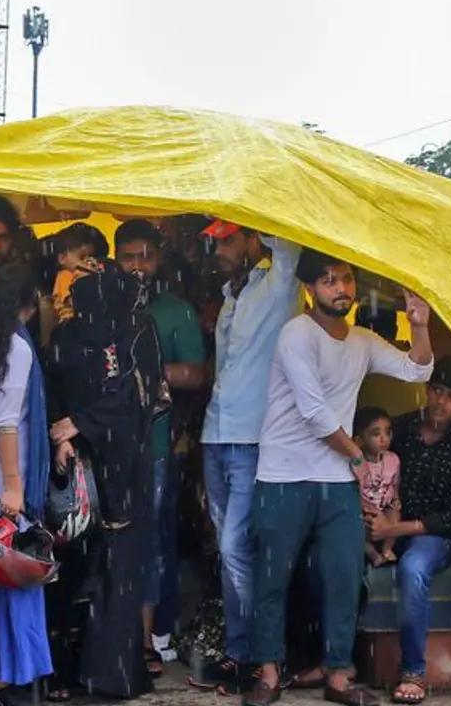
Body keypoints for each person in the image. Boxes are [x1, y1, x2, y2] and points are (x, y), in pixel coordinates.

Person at [245, 249, 433, 706]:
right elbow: (313, 412)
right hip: (284, 473)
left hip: (334, 480)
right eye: (328, 281)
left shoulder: (363, 342)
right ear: (310, 290)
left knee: (345, 575)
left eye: (345, 279)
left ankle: (337, 675)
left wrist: (421, 324)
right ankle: (267, 672)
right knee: (273, 575)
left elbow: (418, 369)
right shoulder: (297, 334)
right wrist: (358, 458)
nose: (340, 288)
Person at [44, 258, 162, 702]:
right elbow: (52, 387)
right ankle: (67, 672)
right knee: (72, 567)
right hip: (76, 470)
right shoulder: (66, 337)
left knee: (121, 572)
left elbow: (138, 393)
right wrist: (60, 436)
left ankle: (112, 674)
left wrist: (82, 421)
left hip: (124, 465)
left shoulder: (136, 330)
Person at [192, 220, 301, 693]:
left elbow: (291, 246)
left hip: (253, 440)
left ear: (255, 239)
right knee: (229, 548)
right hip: (216, 434)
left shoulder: (279, 283)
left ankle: (251, 656)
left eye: (230, 239)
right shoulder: (232, 293)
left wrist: (258, 215)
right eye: (217, 241)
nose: (219, 248)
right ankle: (248, 653)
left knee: (238, 548)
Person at [113, 218, 206, 674]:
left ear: (159, 259)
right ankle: (114, 634)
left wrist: (147, 370)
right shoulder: (103, 307)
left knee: (150, 537)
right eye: (128, 257)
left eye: (144, 256)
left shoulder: (178, 311)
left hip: (155, 443)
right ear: (115, 261)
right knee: (109, 538)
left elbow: (196, 374)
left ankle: (151, 636)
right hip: (106, 443)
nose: (137, 266)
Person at [364, 357, 451, 705]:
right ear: (427, 391)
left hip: (435, 538)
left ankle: (413, 670)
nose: (441, 402)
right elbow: (367, 468)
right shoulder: (397, 430)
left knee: (413, 568)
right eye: (437, 391)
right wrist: (372, 515)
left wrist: (394, 527)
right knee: (336, 552)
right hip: (385, 527)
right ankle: (337, 663)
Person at [0, 262, 54, 706]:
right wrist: (15, 487)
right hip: (6, 477)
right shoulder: (18, 348)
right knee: (19, 572)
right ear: (30, 302)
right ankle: (17, 671)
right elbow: (6, 423)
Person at [352, 407, 401, 567]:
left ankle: (387, 549)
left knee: (395, 514)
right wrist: (367, 509)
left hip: (384, 506)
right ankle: (372, 553)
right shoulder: (357, 463)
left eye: (388, 432)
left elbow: (395, 484)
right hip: (364, 510)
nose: (384, 438)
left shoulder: (393, 459)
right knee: (353, 527)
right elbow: (354, 494)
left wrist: (396, 500)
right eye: (376, 434)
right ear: (359, 440)